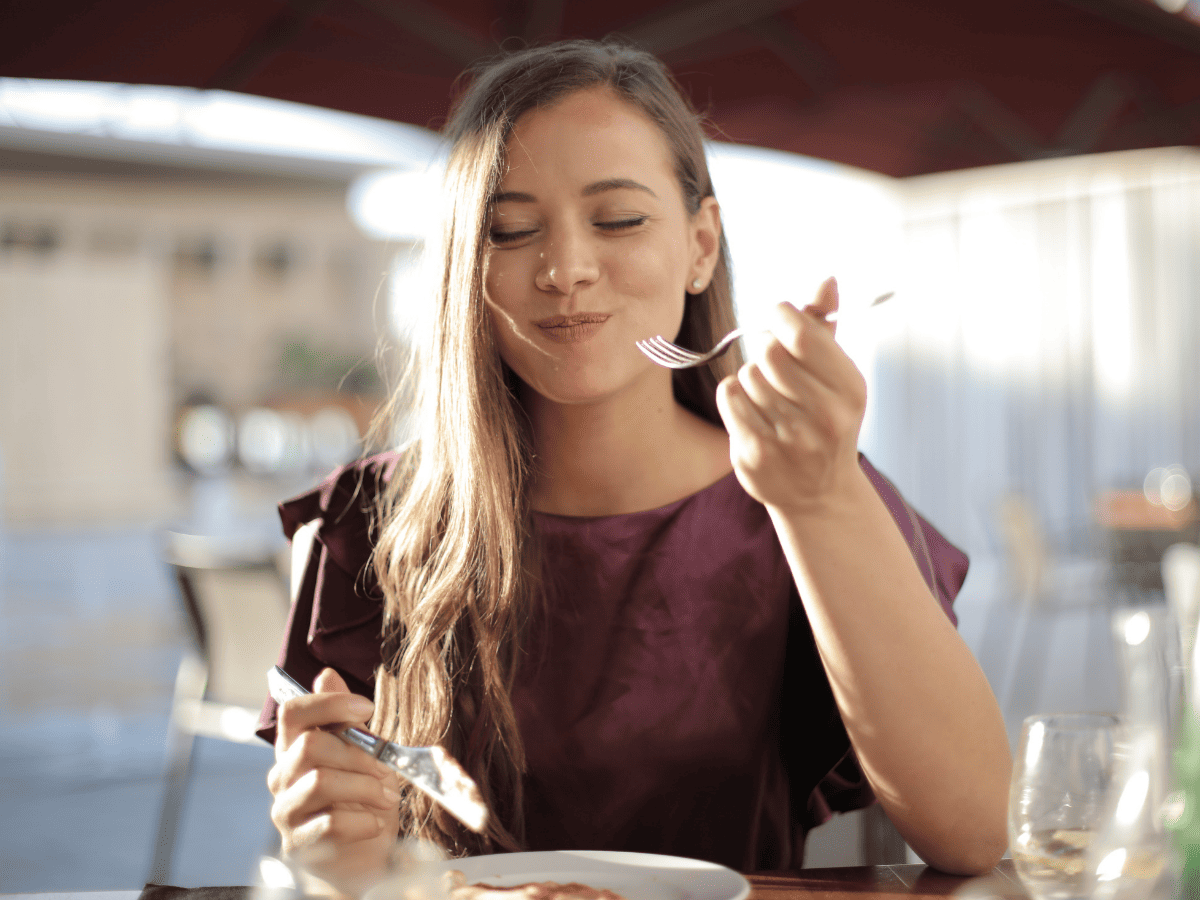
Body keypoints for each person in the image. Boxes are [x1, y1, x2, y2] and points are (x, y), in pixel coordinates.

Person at [258, 38, 1011, 897]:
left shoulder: (805, 491)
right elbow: (344, 864)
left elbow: (974, 829)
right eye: (509, 230)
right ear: (468, 267)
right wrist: (329, 844)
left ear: (700, 245)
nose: (566, 269)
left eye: (618, 219)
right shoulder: (367, 521)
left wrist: (821, 497)